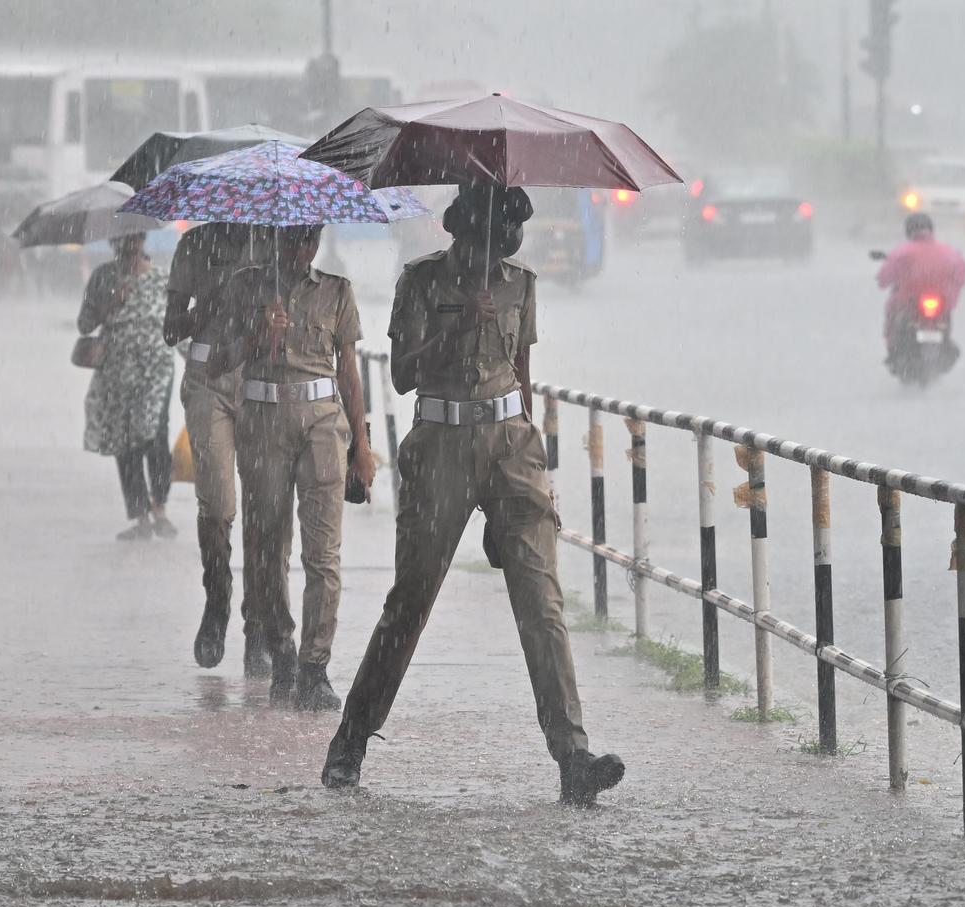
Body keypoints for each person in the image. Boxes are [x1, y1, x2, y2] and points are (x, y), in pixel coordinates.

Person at [321, 184, 625, 807]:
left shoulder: (522, 284)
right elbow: (403, 374)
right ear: (460, 234)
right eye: (485, 243)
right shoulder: (422, 280)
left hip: (513, 447)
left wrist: (535, 464)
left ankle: (572, 756)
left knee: (542, 602)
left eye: (503, 245)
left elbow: (521, 371)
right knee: (410, 603)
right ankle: (351, 741)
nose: (494, 257)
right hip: (441, 447)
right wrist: (457, 332)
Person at [209, 225, 375, 711]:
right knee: (267, 545)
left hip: (324, 427)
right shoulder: (244, 286)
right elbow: (214, 364)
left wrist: (362, 444)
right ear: (274, 236)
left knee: (323, 553)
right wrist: (256, 336)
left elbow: (349, 369)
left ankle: (314, 666)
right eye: (292, 238)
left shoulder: (336, 291)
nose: (301, 248)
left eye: (310, 238)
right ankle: (280, 648)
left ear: (319, 238)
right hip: (263, 422)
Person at [164, 222, 270, 677]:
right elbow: (171, 329)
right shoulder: (194, 244)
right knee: (219, 503)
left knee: (265, 507)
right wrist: (205, 306)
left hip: (263, 377)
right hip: (208, 379)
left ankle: (260, 626)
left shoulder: (275, 239)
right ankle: (217, 600)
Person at [78, 232, 175, 541]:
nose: (129, 246)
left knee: (156, 434)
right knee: (126, 439)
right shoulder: (103, 276)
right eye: (122, 240)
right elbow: (84, 324)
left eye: (135, 239)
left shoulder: (161, 278)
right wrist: (110, 301)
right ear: (113, 243)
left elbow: (176, 323)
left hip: (157, 369)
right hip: (118, 371)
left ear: (143, 239)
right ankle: (140, 516)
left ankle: (159, 508)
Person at [876, 212, 965, 361]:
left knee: (891, 314)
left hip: (907, 302)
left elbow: (883, 279)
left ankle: (892, 347)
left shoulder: (901, 252)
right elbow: (961, 277)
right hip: (942, 303)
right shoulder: (949, 252)